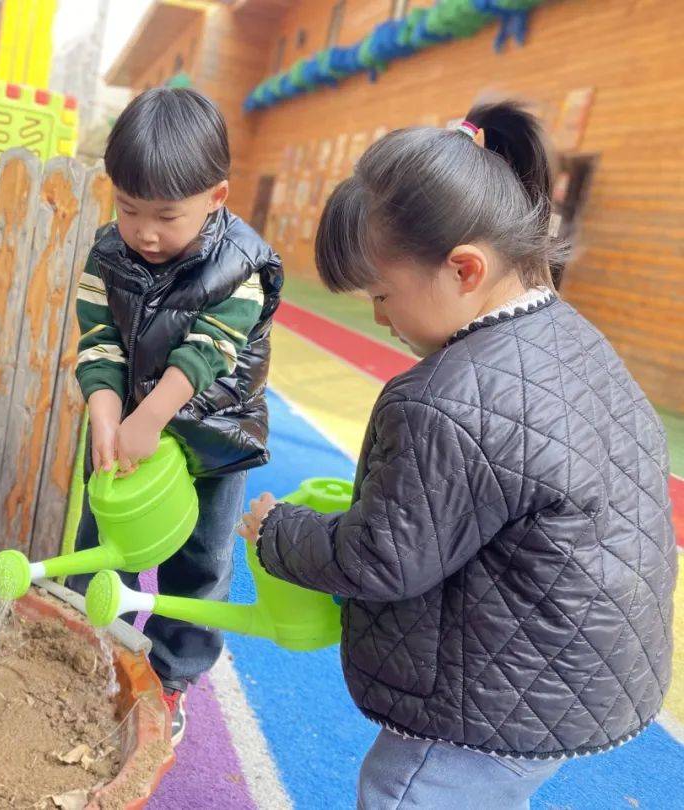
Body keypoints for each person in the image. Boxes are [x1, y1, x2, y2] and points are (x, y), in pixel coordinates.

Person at [239, 101, 676, 808]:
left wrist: (277, 535)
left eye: (382, 295)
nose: (380, 317)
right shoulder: (570, 335)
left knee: (404, 791)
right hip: (584, 663)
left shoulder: (442, 400)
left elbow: (382, 557)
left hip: (507, 686)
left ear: (465, 268)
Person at [69, 87, 283, 746]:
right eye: (129, 210)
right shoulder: (108, 254)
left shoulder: (240, 266)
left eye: (166, 216)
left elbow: (208, 352)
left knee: (202, 564)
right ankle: (85, 654)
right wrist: (106, 412)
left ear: (216, 198)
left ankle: (173, 674)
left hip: (213, 440)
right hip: (132, 436)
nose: (146, 232)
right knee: (101, 548)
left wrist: (151, 415)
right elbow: (98, 336)